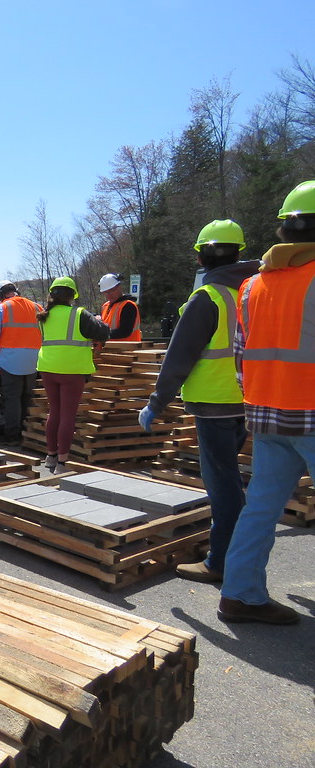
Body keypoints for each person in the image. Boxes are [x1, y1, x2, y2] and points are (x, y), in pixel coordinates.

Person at [218, 181, 315, 625]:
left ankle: (239, 595)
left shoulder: (252, 286)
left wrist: (257, 402)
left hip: (266, 415)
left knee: (260, 508)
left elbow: (242, 355)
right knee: (260, 507)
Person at [139, 220, 256, 584]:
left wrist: (156, 403)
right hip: (251, 399)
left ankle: (220, 561)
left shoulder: (208, 298)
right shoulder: (255, 291)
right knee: (232, 478)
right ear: (240, 251)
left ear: (200, 254)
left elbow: (179, 358)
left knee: (222, 485)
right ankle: (236, 551)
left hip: (214, 404)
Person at [36, 277, 110, 473]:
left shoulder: (44, 315)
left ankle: (51, 457)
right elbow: (103, 332)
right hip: (72, 369)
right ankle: (62, 463)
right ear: (72, 296)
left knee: (55, 413)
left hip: (48, 368)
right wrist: (99, 320)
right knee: (68, 416)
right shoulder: (79, 314)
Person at [0, 280, 42, 446]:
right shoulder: (36, 307)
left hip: (11, 360)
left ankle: (12, 436)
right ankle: (28, 433)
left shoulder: (3, 308)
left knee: (12, 399)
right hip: (34, 359)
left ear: (0, 295)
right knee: (28, 397)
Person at [98, 273, 142, 341]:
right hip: (109, 349)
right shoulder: (105, 306)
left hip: (128, 349)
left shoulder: (128, 306)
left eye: (112, 290)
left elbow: (125, 332)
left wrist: (101, 334)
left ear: (119, 287)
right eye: (106, 292)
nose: (109, 295)